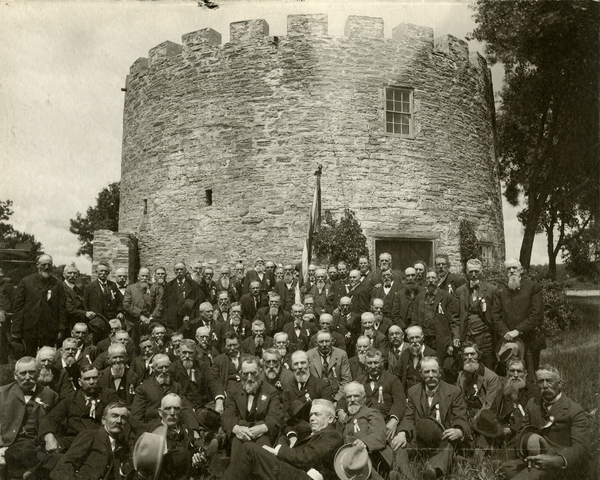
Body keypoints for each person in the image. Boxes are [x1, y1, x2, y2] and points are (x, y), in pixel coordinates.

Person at [500, 364, 591, 479]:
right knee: (506, 468)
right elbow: (522, 432)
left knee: (525, 477)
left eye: (549, 381)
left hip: (560, 464)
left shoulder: (574, 410)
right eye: (540, 381)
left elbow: (581, 449)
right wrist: (526, 451)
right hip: (535, 459)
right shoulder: (533, 404)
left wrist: (554, 460)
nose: (545, 385)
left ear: (560, 383)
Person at [221, 399, 343, 480]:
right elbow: (287, 431)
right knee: (254, 448)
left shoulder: (333, 436)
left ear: (331, 419)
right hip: (295, 472)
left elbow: (307, 457)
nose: (311, 418)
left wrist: (279, 451)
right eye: (311, 415)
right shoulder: (311, 433)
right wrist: (290, 437)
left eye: (317, 414)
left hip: (305, 477)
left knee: (250, 449)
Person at [390, 356, 470, 480]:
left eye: (434, 371)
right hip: (419, 440)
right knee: (399, 447)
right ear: (421, 374)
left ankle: (433, 472)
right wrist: (402, 433)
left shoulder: (453, 392)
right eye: (427, 372)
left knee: (449, 445)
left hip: (443, 439)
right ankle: (407, 476)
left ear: (440, 373)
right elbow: (408, 417)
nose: (431, 375)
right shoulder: (413, 392)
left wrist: (458, 430)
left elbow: (460, 416)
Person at [0, 357, 60, 479]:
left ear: (38, 373)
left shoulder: (50, 395)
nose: (27, 377)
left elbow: (55, 422)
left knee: (57, 459)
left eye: (32, 372)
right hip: (10, 444)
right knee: (25, 450)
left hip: (38, 446)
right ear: (15, 375)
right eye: (23, 373)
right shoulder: (2, 393)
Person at [39, 364, 120, 451]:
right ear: (80, 382)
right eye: (87, 379)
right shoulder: (71, 397)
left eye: (95, 378)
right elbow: (51, 418)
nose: (92, 382)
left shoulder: (109, 395)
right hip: (72, 441)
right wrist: (49, 437)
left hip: (97, 441)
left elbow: (112, 421)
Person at [49, 401, 133, 480]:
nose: (119, 421)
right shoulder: (91, 436)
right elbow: (62, 468)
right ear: (103, 420)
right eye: (114, 416)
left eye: (123, 418)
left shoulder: (123, 446)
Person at [337, 349, 406, 445]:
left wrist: (394, 420)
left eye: (376, 363)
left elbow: (400, 401)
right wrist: (340, 411)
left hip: (385, 424)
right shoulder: (360, 380)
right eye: (369, 363)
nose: (373, 366)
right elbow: (344, 398)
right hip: (362, 424)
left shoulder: (392, 380)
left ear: (382, 362)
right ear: (365, 363)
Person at [492, 258, 545, 382]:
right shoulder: (499, 290)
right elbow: (495, 316)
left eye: (514, 268)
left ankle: (531, 401)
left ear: (521, 270)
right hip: (507, 342)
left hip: (529, 341)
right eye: (508, 269)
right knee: (510, 377)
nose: (511, 271)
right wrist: (506, 334)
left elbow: (536, 315)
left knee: (530, 378)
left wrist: (517, 331)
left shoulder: (533, 287)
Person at [221, 356, 284, 458]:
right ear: (241, 373)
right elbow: (228, 416)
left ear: (260, 371)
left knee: (263, 449)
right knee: (237, 442)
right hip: (240, 435)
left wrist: (264, 427)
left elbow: (276, 416)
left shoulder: (271, 391)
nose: (249, 378)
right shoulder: (233, 391)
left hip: (262, 435)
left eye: (253, 373)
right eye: (245, 374)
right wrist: (236, 428)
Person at [129, 353, 199, 436]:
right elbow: (135, 419)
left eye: (166, 367)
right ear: (153, 369)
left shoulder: (176, 386)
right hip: (153, 431)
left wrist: (193, 429)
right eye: (160, 368)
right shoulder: (143, 389)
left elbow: (186, 410)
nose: (164, 371)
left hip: (176, 429)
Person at [12, 254, 67, 356]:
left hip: (49, 329)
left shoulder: (57, 284)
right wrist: (16, 330)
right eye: (43, 264)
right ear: (37, 265)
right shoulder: (26, 282)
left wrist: (61, 328)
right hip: (29, 328)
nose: (46, 267)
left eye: (49, 264)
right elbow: (18, 308)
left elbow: (61, 308)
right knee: (28, 356)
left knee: (47, 357)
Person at [489, 358, 540, 458]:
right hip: (500, 431)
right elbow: (493, 412)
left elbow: (534, 418)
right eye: (512, 371)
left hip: (521, 431)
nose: (515, 375)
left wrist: (512, 429)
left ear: (525, 373)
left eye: (519, 371)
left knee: (508, 453)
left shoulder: (534, 392)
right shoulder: (502, 392)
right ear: (507, 372)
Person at [409, 269, 459, 370]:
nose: (431, 280)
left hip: (441, 342)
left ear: (438, 279)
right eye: (428, 278)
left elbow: (453, 321)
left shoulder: (447, 297)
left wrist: (451, 342)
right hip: (424, 341)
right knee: (424, 366)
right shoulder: (419, 298)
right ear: (425, 280)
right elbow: (414, 320)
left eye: (433, 278)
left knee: (440, 367)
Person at [340, 382, 390, 480]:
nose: (352, 400)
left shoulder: (371, 413)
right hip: (350, 460)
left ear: (364, 398)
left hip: (372, 456)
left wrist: (365, 443)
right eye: (349, 397)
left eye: (356, 396)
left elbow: (378, 434)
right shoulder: (344, 420)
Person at [456, 258, 497, 370]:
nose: (473, 274)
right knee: (468, 365)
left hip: (485, 336)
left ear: (481, 272)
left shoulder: (491, 290)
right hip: (467, 336)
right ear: (466, 272)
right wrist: (458, 336)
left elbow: (496, 314)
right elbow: (455, 317)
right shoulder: (460, 291)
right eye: (470, 271)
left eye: (476, 271)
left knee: (487, 366)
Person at [167, 338, 225, 413]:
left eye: (190, 353)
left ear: (195, 353)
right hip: (182, 408)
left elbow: (213, 382)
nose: (187, 356)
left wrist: (219, 400)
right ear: (179, 352)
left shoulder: (202, 366)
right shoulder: (172, 368)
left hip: (203, 406)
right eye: (184, 352)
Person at [455, 342, 500, 422]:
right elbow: (459, 399)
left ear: (478, 356)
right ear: (462, 357)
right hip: (465, 415)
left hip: (484, 418)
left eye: (472, 354)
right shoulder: (461, 375)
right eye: (466, 354)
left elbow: (489, 405)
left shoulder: (491, 377)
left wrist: (474, 421)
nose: (469, 357)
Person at [123, 267, 163, 347]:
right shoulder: (130, 288)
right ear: (138, 277)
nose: (144, 278)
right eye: (142, 276)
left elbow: (159, 303)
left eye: (146, 276)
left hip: (150, 321)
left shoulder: (155, 288)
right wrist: (140, 316)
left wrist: (152, 316)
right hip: (134, 322)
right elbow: (126, 304)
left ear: (150, 276)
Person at [307, 330, 352, 402]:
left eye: (327, 341)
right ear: (316, 343)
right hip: (316, 397)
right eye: (321, 342)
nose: (324, 344)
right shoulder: (309, 355)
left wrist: (337, 399)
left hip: (337, 396)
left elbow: (346, 381)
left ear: (333, 341)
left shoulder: (341, 355)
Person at [393, 325, 437, 393]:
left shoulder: (431, 354)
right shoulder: (405, 354)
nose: (414, 341)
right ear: (407, 338)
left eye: (417, 337)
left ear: (422, 337)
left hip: (425, 393)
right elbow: (397, 375)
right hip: (407, 394)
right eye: (411, 338)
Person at [161, 262, 202, 331]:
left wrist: (191, 316)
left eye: (181, 269)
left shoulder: (193, 284)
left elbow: (198, 301)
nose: (179, 271)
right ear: (174, 271)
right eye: (177, 269)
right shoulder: (168, 286)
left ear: (185, 270)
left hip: (189, 319)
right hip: (173, 320)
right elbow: (165, 303)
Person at [63, 262, 96, 330]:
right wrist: (85, 313)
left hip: (78, 323)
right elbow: (69, 309)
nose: (72, 275)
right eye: (69, 273)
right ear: (64, 274)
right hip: (67, 324)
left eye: (75, 273)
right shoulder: (62, 288)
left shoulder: (77, 289)